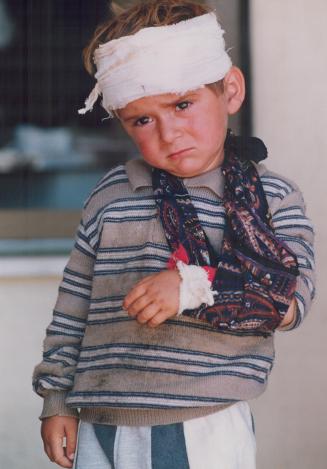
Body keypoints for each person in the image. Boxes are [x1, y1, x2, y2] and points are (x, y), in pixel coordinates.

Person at [32, 1, 315, 468]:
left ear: (230, 90)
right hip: (101, 418)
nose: (168, 132)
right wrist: (57, 398)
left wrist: (192, 284)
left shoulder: (270, 195)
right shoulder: (111, 194)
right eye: (142, 120)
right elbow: (73, 305)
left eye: (183, 104)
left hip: (202, 421)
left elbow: (291, 302)